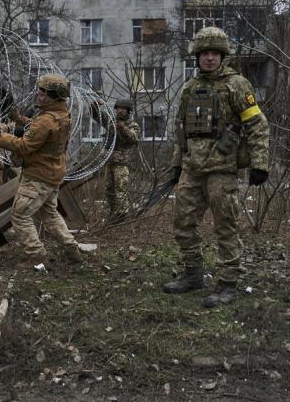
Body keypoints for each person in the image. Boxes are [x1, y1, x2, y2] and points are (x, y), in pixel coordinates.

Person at [163, 27, 269, 308]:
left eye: (214, 54)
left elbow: (257, 125)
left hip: (222, 169)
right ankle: (193, 275)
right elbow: (181, 131)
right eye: (204, 54)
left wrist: (260, 163)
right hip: (192, 168)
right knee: (182, 223)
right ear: (197, 57)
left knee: (226, 227)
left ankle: (227, 283)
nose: (209, 59)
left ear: (222, 56)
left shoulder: (237, 85)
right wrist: (176, 165)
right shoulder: (188, 88)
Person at [0, 74, 83, 265]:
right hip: (52, 173)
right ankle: (73, 251)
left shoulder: (45, 120)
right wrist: (19, 119)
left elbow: (25, 146)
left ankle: (38, 258)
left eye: (44, 93)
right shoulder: (62, 114)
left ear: (54, 96)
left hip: (38, 176)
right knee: (51, 216)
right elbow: (38, 132)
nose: (39, 94)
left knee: (20, 215)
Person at [94, 98, 140, 223]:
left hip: (122, 162)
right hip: (110, 161)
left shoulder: (132, 124)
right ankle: (114, 212)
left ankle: (121, 215)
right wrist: (94, 106)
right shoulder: (111, 122)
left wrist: (122, 128)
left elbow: (134, 138)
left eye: (123, 109)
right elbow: (97, 116)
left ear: (128, 111)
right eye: (118, 108)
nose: (120, 111)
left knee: (120, 189)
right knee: (109, 189)